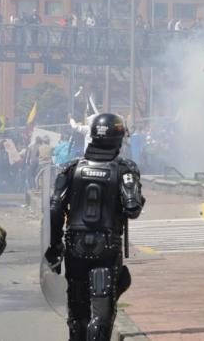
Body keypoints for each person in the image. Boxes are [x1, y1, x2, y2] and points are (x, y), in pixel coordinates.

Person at [44, 113, 145, 340]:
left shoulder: (71, 168)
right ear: (118, 139)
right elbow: (133, 209)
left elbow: (55, 207)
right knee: (101, 316)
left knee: (77, 314)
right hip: (106, 249)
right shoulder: (125, 170)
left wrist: (54, 246)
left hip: (75, 246)